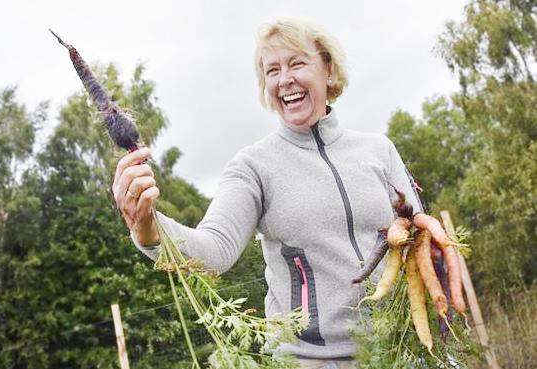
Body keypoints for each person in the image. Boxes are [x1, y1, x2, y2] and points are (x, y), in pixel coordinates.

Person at [112, 18, 425, 369]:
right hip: (312, 361)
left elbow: (420, 234)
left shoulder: (379, 151)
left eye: (297, 63)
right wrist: (149, 230)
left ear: (328, 69)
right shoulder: (253, 167)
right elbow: (214, 250)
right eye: (272, 70)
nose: (284, 79)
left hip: (399, 350)